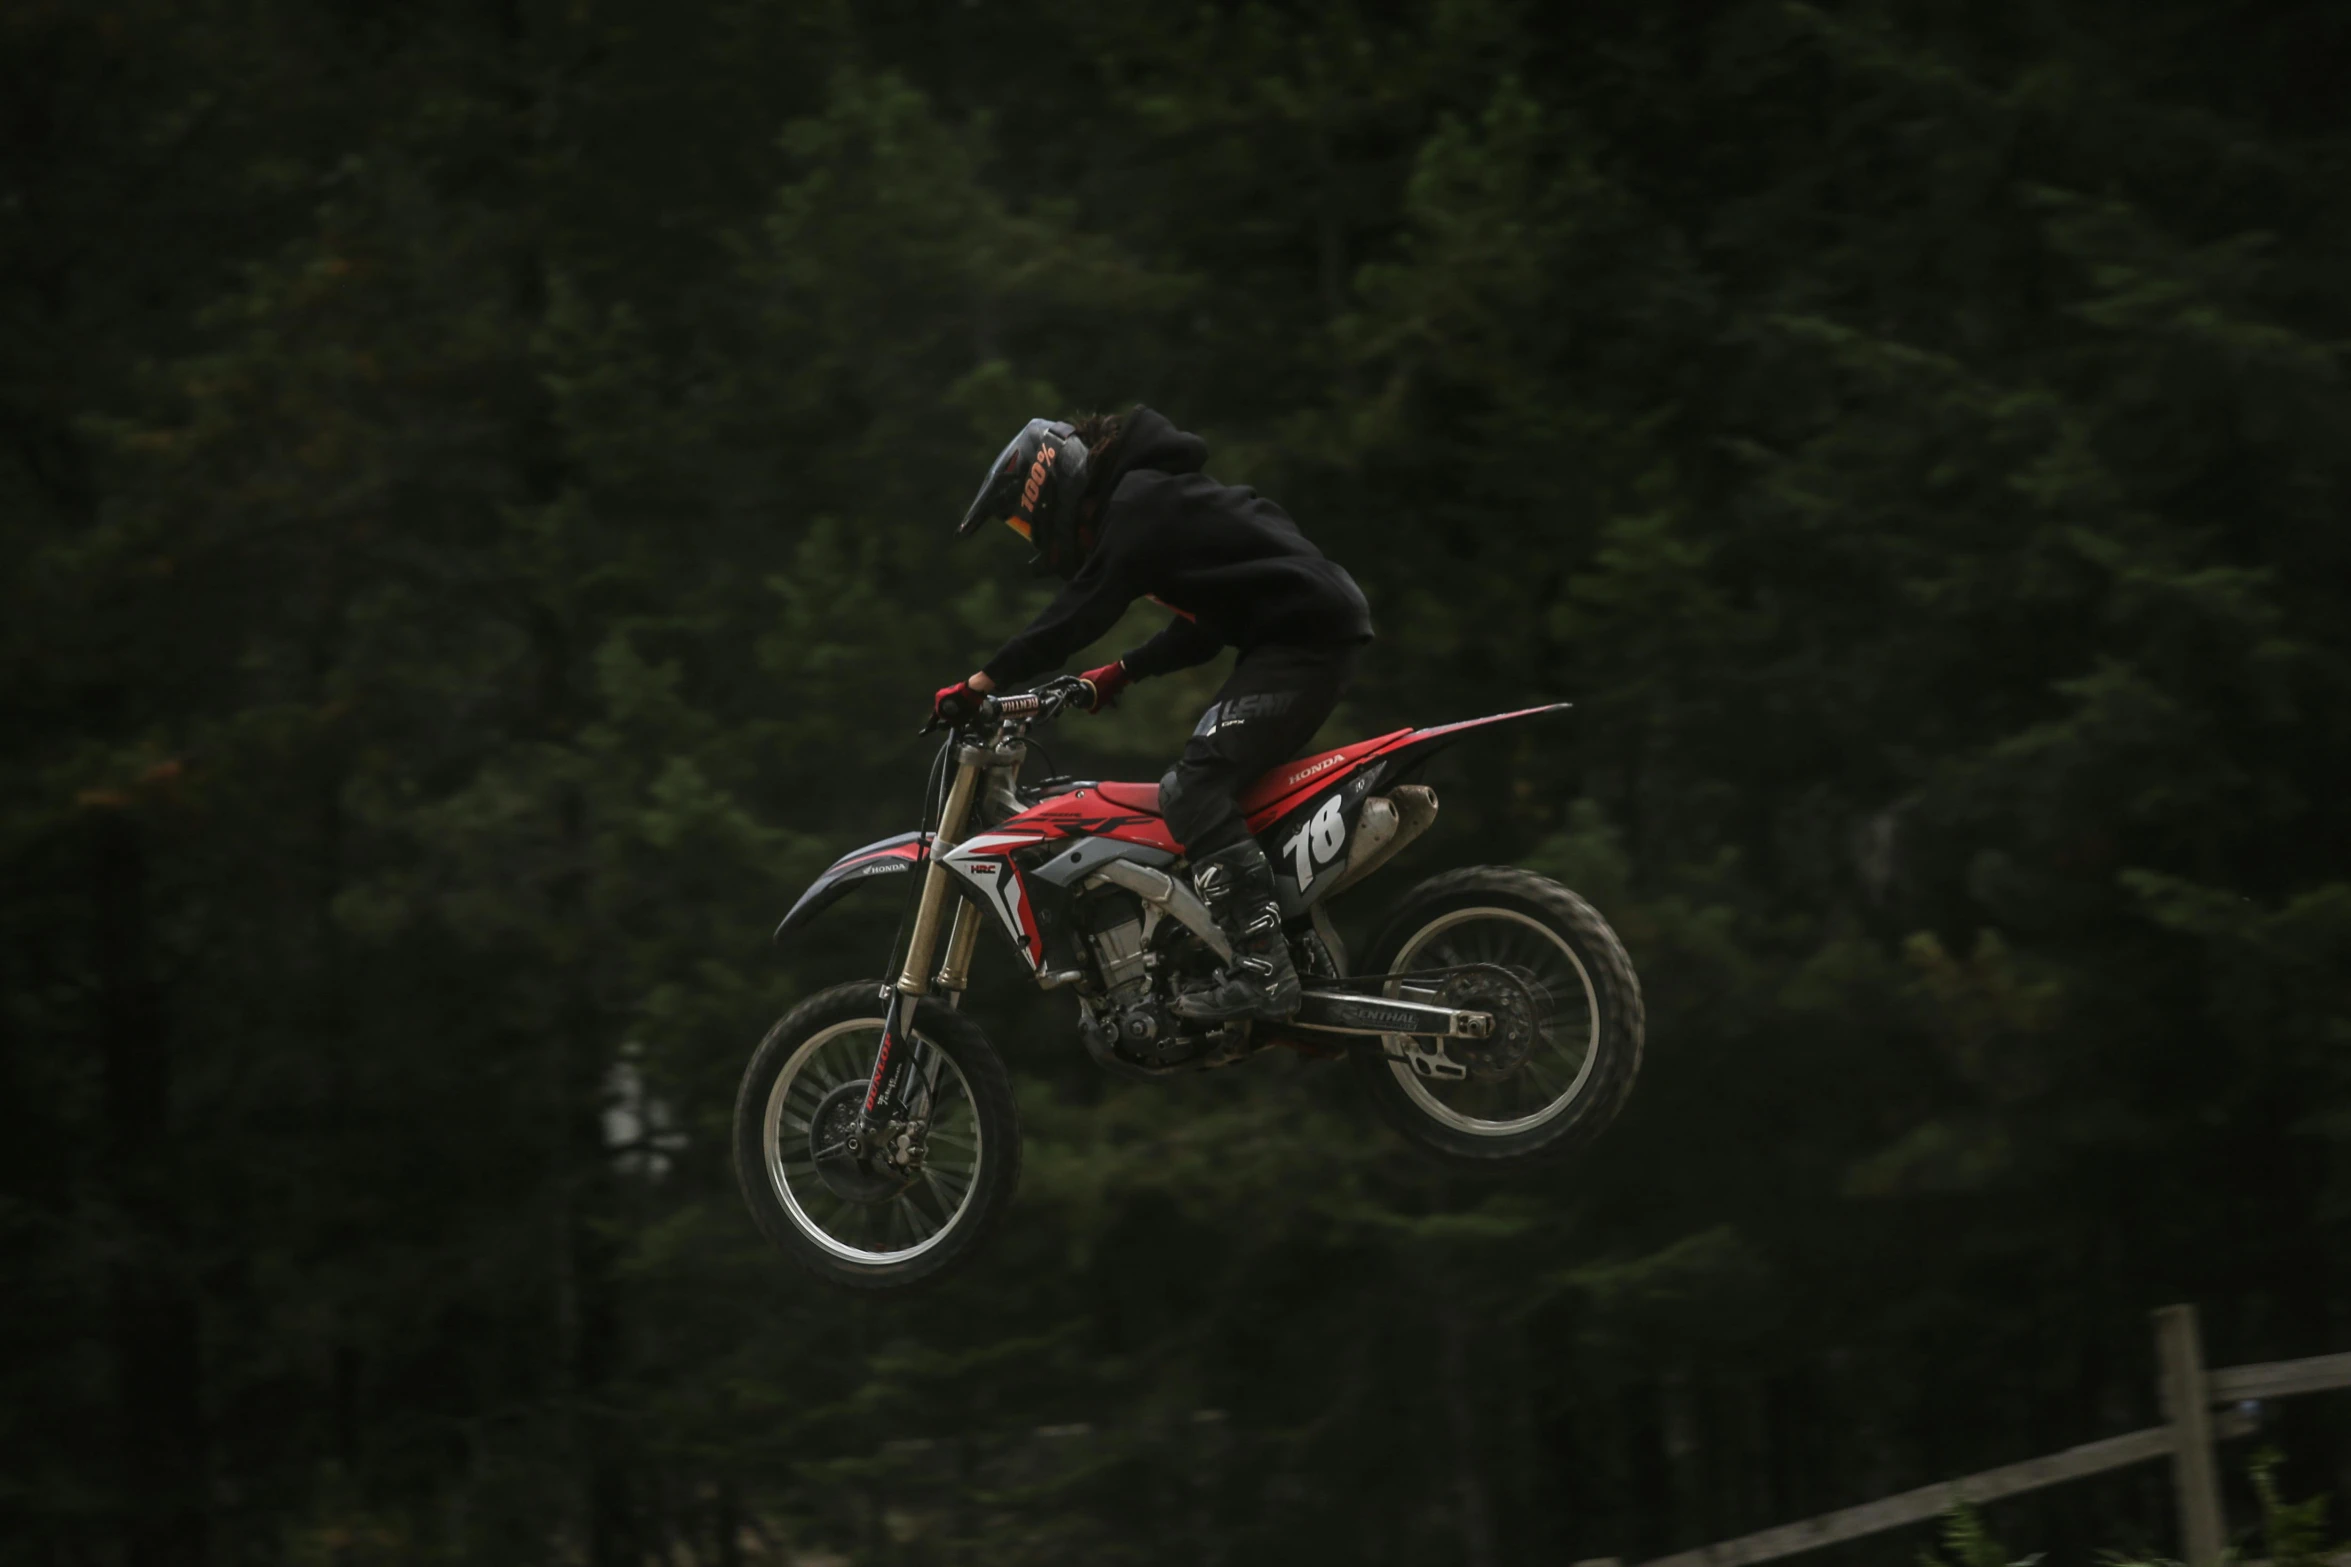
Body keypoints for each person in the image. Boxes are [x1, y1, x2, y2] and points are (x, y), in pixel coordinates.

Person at [934, 408, 1372, 1023]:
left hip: (1302, 644)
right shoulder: (1158, 499)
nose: (1028, 532)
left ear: (1049, 484)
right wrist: (1120, 673)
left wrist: (981, 683)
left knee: (1193, 791)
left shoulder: (1137, 502)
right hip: (1303, 635)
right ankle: (1290, 947)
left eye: (1021, 517)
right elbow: (1205, 626)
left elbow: (1081, 610)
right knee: (1225, 795)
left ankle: (1265, 971)